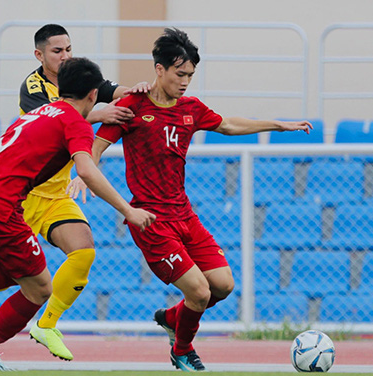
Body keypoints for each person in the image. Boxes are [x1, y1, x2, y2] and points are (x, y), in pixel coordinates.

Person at [67, 28, 312, 372]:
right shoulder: (131, 106)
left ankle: (172, 318)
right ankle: (182, 351)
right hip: (151, 220)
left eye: (190, 76)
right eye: (180, 74)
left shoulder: (191, 109)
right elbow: (97, 145)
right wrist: (83, 170)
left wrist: (277, 125)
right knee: (198, 292)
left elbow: (227, 124)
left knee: (222, 286)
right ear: (159, 69)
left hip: (185, 215)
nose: (185, 82)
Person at [0, 57, 156, 371]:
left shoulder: (36, 113)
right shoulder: (76, 123)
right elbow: (87, 171)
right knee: (40, 287)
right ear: (94, 94)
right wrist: (129, 210)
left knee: (14, 272)